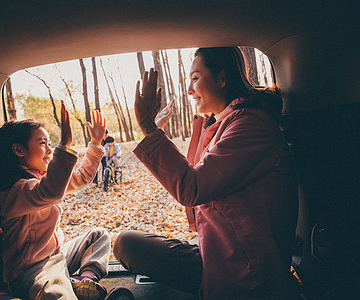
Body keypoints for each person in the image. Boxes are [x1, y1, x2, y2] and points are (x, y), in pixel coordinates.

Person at [114, 47, 299, 299]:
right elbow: (195, 180)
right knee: (127, 244)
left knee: (127, 244)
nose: (189, 91)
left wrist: (148, 127)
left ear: (223, 78)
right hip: (218, 251)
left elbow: (192, 187)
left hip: (247, 270)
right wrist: (158, 129)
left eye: (195, 78)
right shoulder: (229, 122)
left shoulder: (251, 125)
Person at [0, 101, 111, 300]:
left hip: (58, 256)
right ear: (18, 150)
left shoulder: (45, 179)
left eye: (51, 144)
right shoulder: (15, 191)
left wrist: (96, 143)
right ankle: (69, 290)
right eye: (43, 144)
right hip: (31, 271)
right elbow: (49, 192)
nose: (49, 150)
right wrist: (63, 146)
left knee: (98, 236)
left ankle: (85, 281)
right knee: (58, 294)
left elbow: (81, 177)